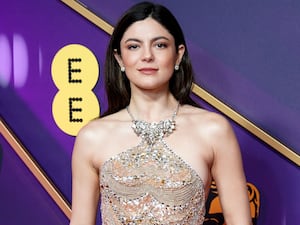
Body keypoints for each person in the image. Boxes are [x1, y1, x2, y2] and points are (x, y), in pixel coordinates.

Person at [69, 1, 252, 225]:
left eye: (160, 45)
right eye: (134, 46)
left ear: (178, 55)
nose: (147, 56)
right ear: (119, 59)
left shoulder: (213, 130)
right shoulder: (92, 137)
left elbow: (239, 221)